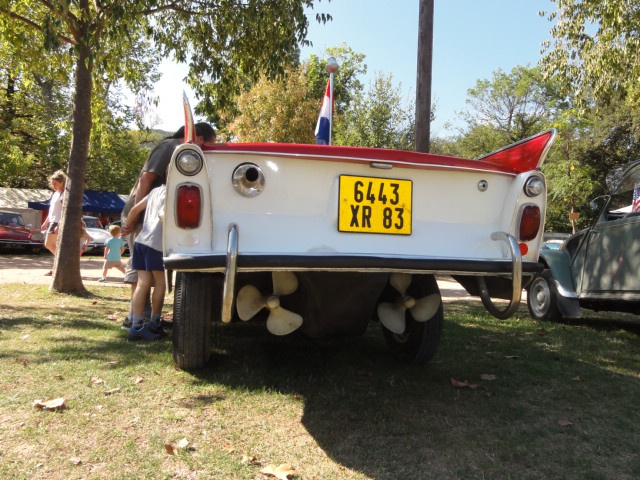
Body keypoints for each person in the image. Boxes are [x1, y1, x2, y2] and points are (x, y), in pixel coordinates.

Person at [120, 122, 216, 327]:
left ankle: (137, 319)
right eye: (208, 145)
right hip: (146, 222)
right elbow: (146, 179)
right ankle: (145, 319)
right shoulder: (171, 147)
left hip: (144, 221)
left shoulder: (161, 187)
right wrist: (135, 219)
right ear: (199, 139)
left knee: (143, 278)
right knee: (149, 279)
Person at [122, 185, 167, 341]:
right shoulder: (175, 189)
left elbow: (134, 210)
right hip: (157, 244)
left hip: (141, 241)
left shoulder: (155, 191)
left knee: (142, 283)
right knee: (161, 283)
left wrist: (127, 227)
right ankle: (155, 323)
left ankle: (136, 327)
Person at [40, 170, 67, 276]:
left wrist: (60, 222)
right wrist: (45, 222)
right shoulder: (55, 194)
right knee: (54, 245)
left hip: (57, 221)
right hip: (52, 221)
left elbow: (64, 210)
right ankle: (59, 266)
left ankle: (62, 264)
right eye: (52, 184)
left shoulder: (64, 194)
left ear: (62, 182)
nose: (54, 186)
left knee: (49, 244)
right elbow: (52, 210)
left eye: (55, 184)